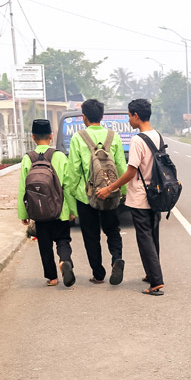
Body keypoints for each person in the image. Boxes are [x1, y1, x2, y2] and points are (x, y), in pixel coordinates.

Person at [98, 99, 164, 296]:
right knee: (153, 236)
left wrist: (110, 188)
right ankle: (151, 274)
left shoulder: (137, 140)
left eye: (129, 115)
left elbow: (130, 172)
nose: (128, 119)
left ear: (136, 115)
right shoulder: (157, 136)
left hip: (141, 197)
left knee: (144, 239)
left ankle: (157, 282)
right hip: (157, 194)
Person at [63, 98, 127, 285]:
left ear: (84, 117)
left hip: (86, 196)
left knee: (91, 235)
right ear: (102, 116)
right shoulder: (113, 136)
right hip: (109, 192)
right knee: (112, 230)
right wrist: (120, 191)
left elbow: (73, 171)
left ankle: (98, 273)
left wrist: (73, 198)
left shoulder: (77, 137)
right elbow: (121, 167)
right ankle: (116, 259)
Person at [17, 118, 76, 287]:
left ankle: (52, 277)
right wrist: (72, 210)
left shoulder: (28, 158)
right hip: (60, 210)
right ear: (51, 136)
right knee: (63, 240)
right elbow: (68, 185)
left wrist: (23, 213)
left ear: (33, 137)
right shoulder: (59, 156)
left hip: (39, 211)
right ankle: (65, 260)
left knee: (44, 244)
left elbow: (23, 189)